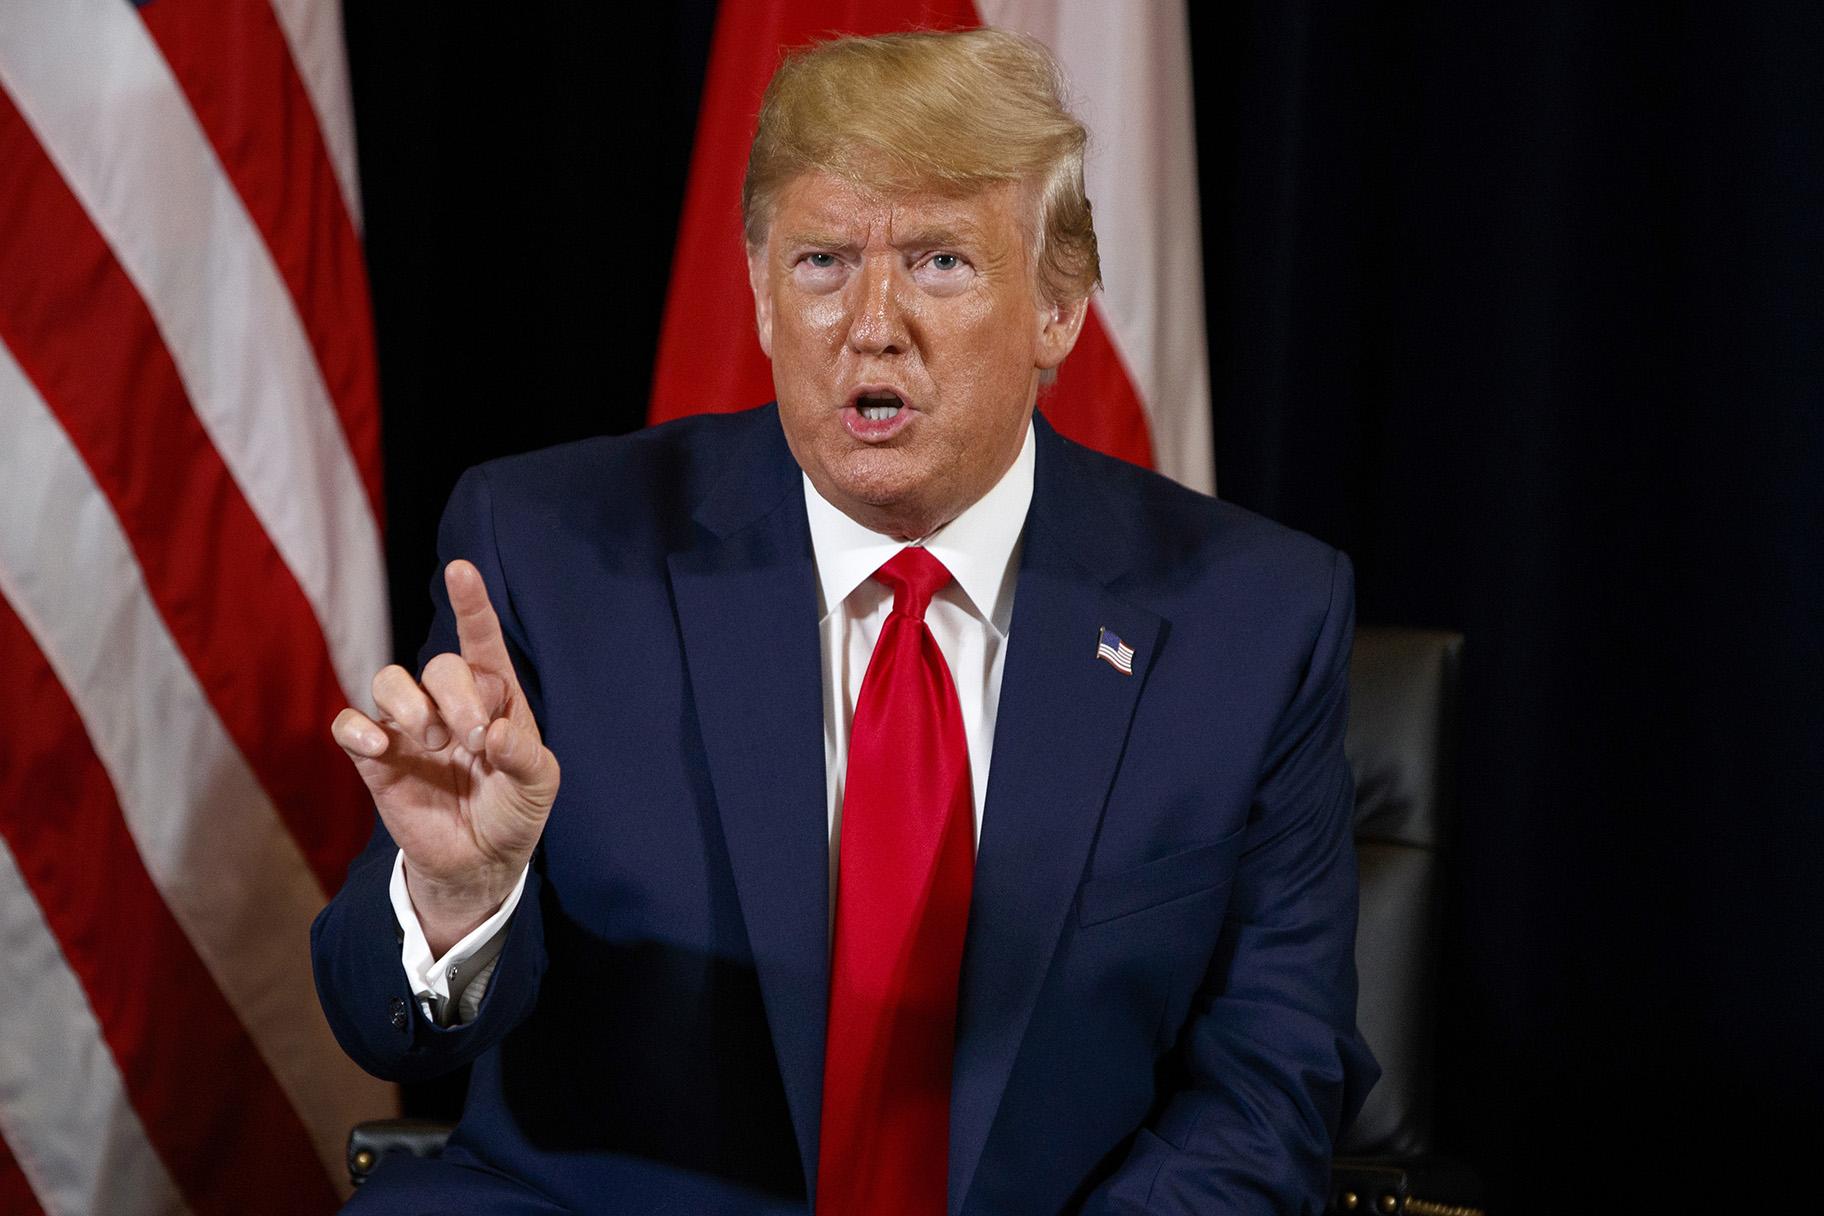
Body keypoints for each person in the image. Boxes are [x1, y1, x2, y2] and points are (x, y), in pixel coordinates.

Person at [313, 28, 1376, 1215]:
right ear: (762, 294)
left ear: (1060, 310)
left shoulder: (1251, 619)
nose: (872, 323)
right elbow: (380, 1023)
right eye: (823, 261)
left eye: (939, 263)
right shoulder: (551, 553)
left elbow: (1270, 1083)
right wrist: (456, 898)